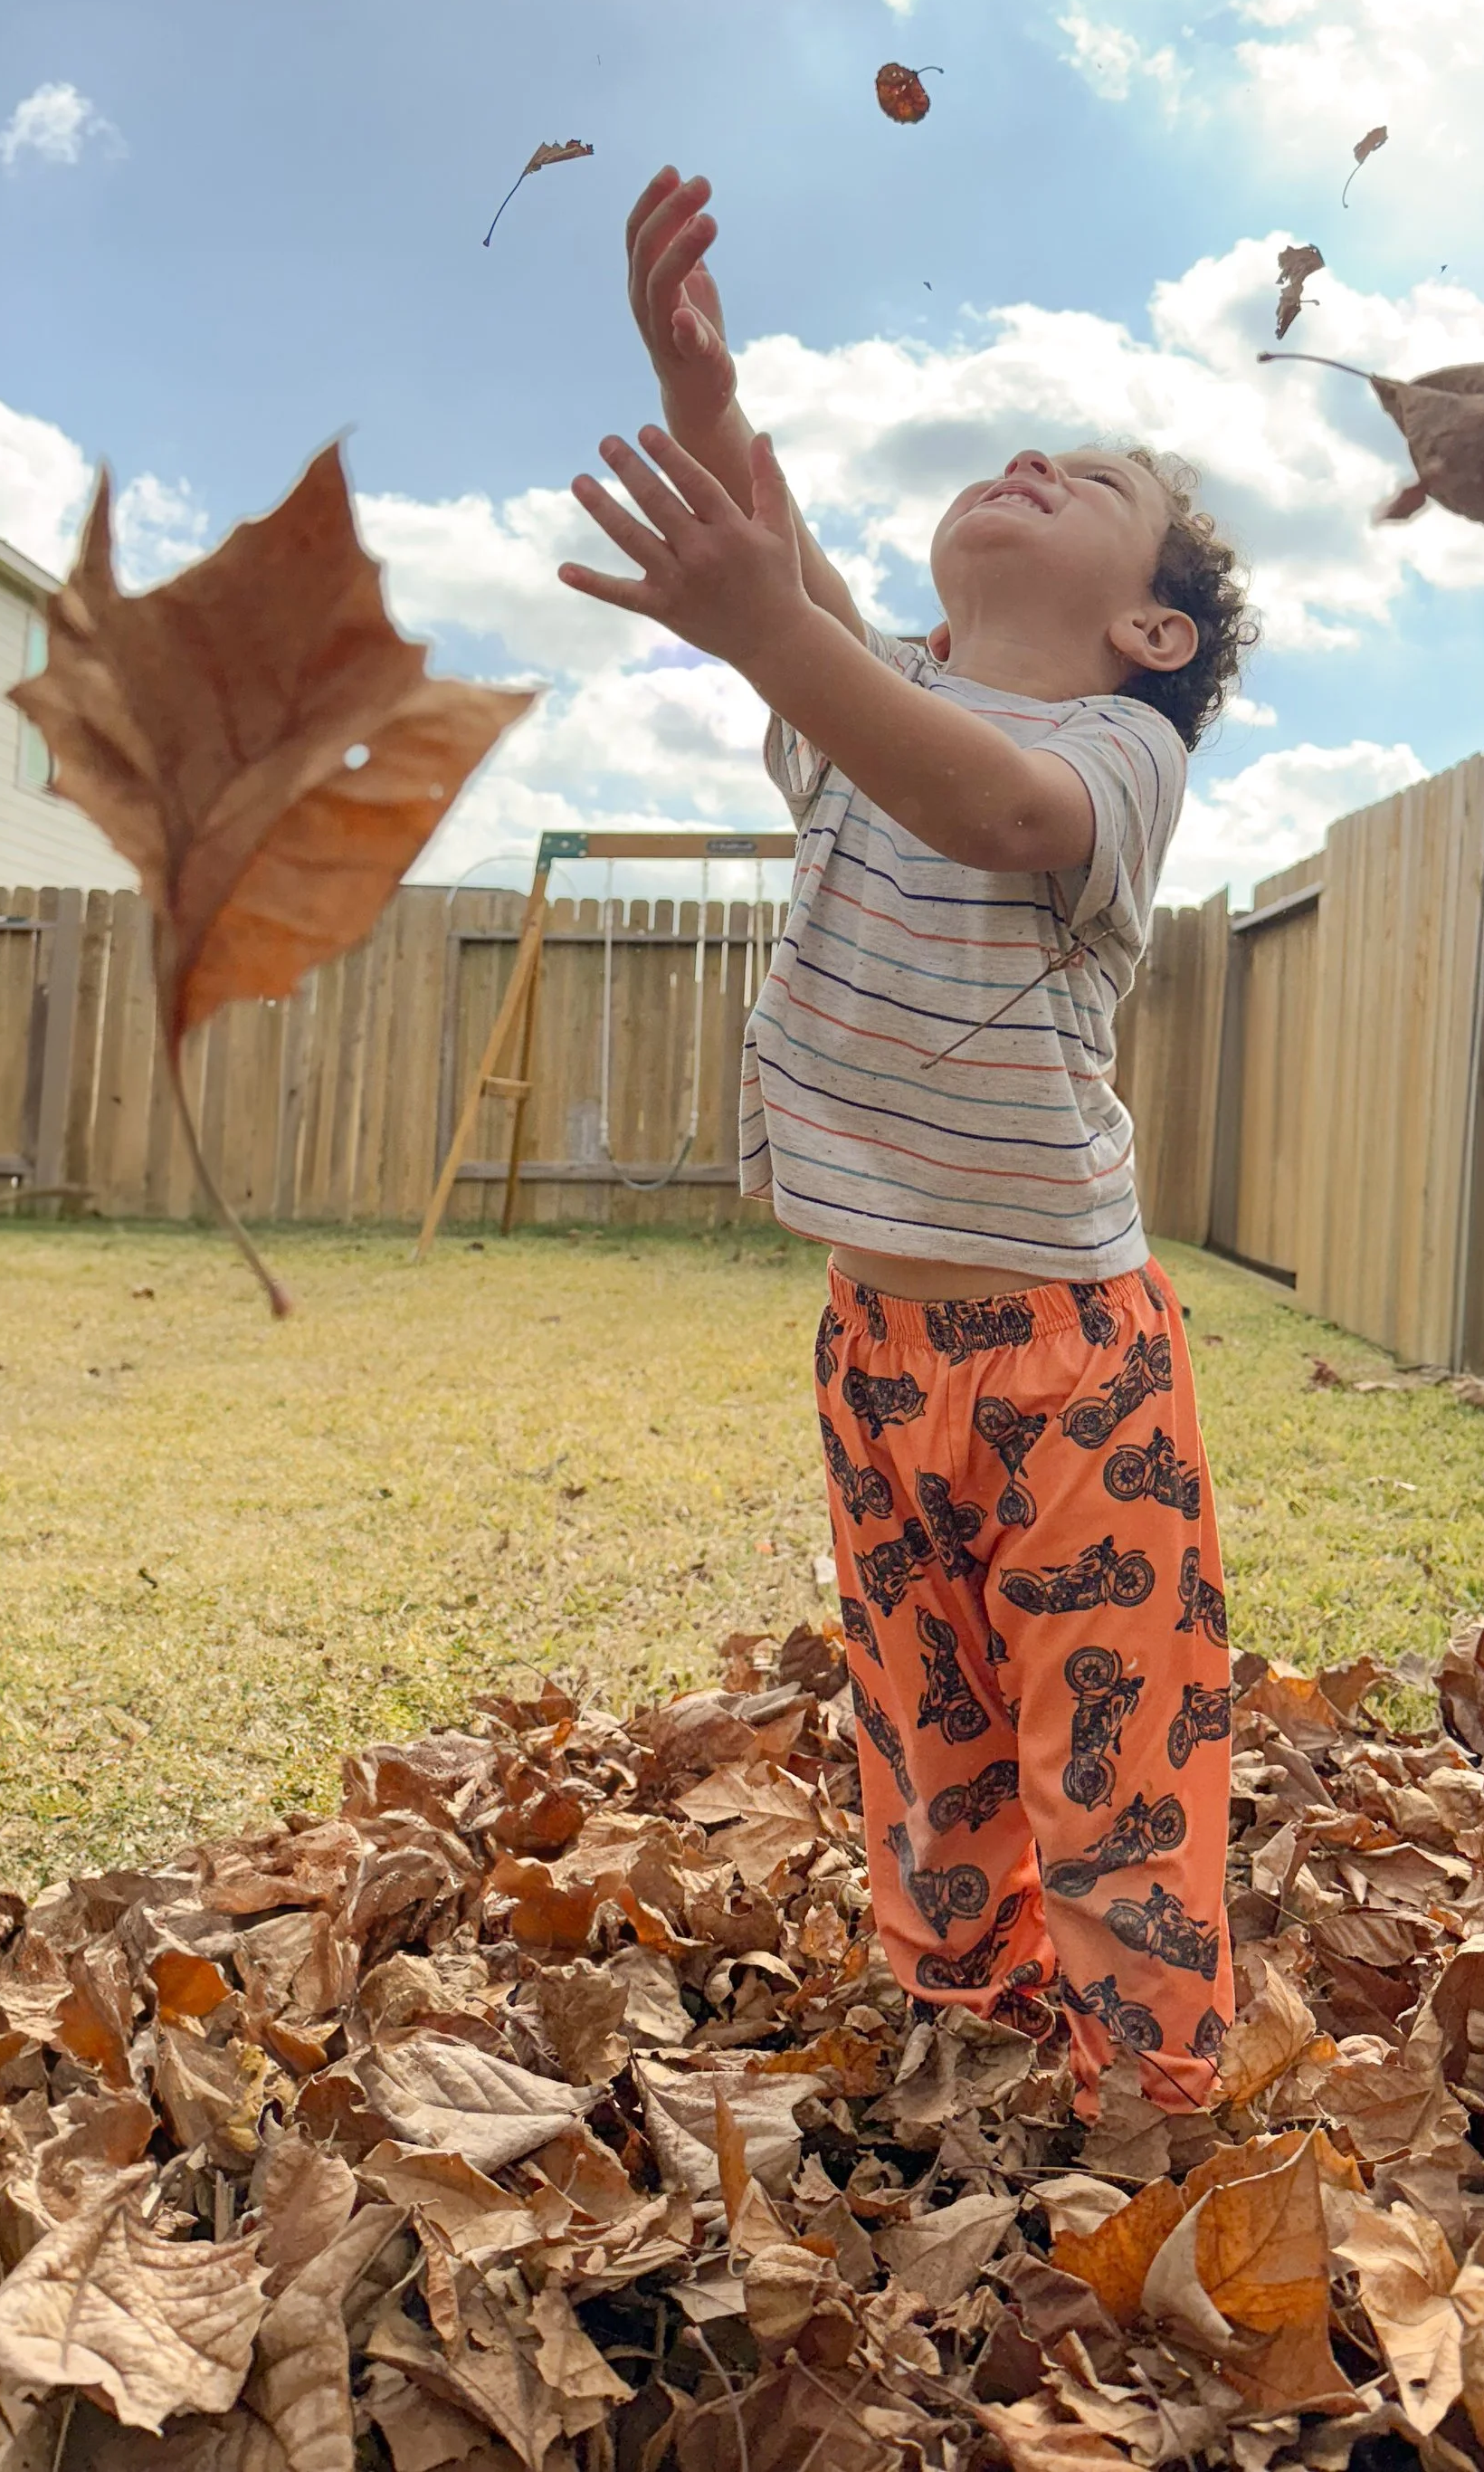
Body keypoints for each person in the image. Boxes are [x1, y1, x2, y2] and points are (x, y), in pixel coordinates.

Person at [557, 166, 1259, 2105]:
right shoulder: (866, 714)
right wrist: (697, 393)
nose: (1027, 456)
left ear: (1149, 630)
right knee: (921, 1714)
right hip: (877, 1353)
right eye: (1024, 450)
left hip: (1068, 1365)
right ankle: (959, 2032)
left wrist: (775, 638)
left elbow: (992, 812)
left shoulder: (1116, 760)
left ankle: (1147, 2097)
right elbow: (787, 584)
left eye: (1090, 481)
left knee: (1110, 1748)